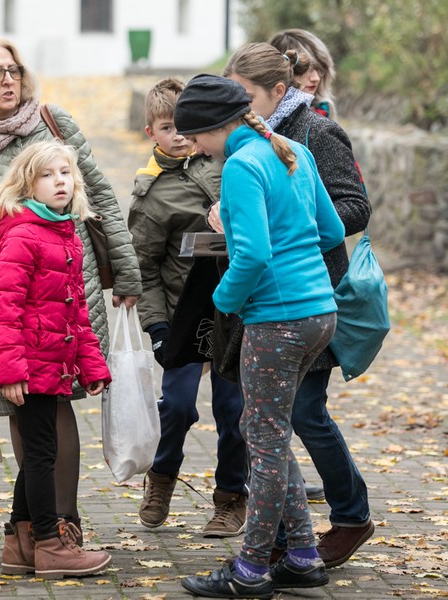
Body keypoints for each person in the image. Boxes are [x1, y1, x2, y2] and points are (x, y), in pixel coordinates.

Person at [0, 37, 141, 549]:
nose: (8, 79)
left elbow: (101, 197)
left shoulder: (53, 123)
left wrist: (129, 272)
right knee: (22, 409)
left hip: (70, 289)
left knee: (57, 403)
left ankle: (61, 522)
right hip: (2, 296)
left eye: (15, 70)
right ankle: (30, 529)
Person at [175, 74, 344, 599]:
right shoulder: (289, 147)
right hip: (319, 311)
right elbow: (332, 231)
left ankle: (249, 570)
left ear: (211, 127)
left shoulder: (242, 166)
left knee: (263, 443)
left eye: (195, 138)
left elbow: (252, 256)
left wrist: (221, 302)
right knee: (268, 431)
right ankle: (301, 555)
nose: (195, 149)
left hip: (277, 319)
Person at [218, 42, 375, 569]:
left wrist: (288, 219)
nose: (234, 106)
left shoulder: (316, 133)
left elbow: (354, 207)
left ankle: (351, 517)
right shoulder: (252, 143)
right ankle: (291, 538)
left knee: (299, 414)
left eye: (243, 96)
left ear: (277, 92)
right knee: (273, 421)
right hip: (275, 295)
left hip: (307, 291)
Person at [0, 139, 112, 579]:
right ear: (27, 184)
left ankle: (18, 544)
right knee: (41, 456)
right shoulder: (23, 233)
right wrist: (10, 370)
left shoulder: (64, 231)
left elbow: (76, 310)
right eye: (47, 175)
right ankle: (49, 544)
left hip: (54, 362)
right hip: (30, 364)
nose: (59, 181)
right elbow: (4, 306)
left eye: (65, 173)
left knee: (41, 451)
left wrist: (91, 365)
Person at [127, 78, 247, 537]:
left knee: (233, 408)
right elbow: (144, 267)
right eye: (166, 126)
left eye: (185, 126)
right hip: (183, 318)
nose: (178, 135)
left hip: (235, 310)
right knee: (176, 406)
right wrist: (156, 325)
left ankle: (231, 497)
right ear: (150, 132)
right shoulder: (151, 194)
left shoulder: (226, 165)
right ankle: (160, 478)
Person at [269, 28, 337, 119]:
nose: (316, 78)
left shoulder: (324, 110)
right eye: (306, 69)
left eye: (320, 68)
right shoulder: (264, 119)